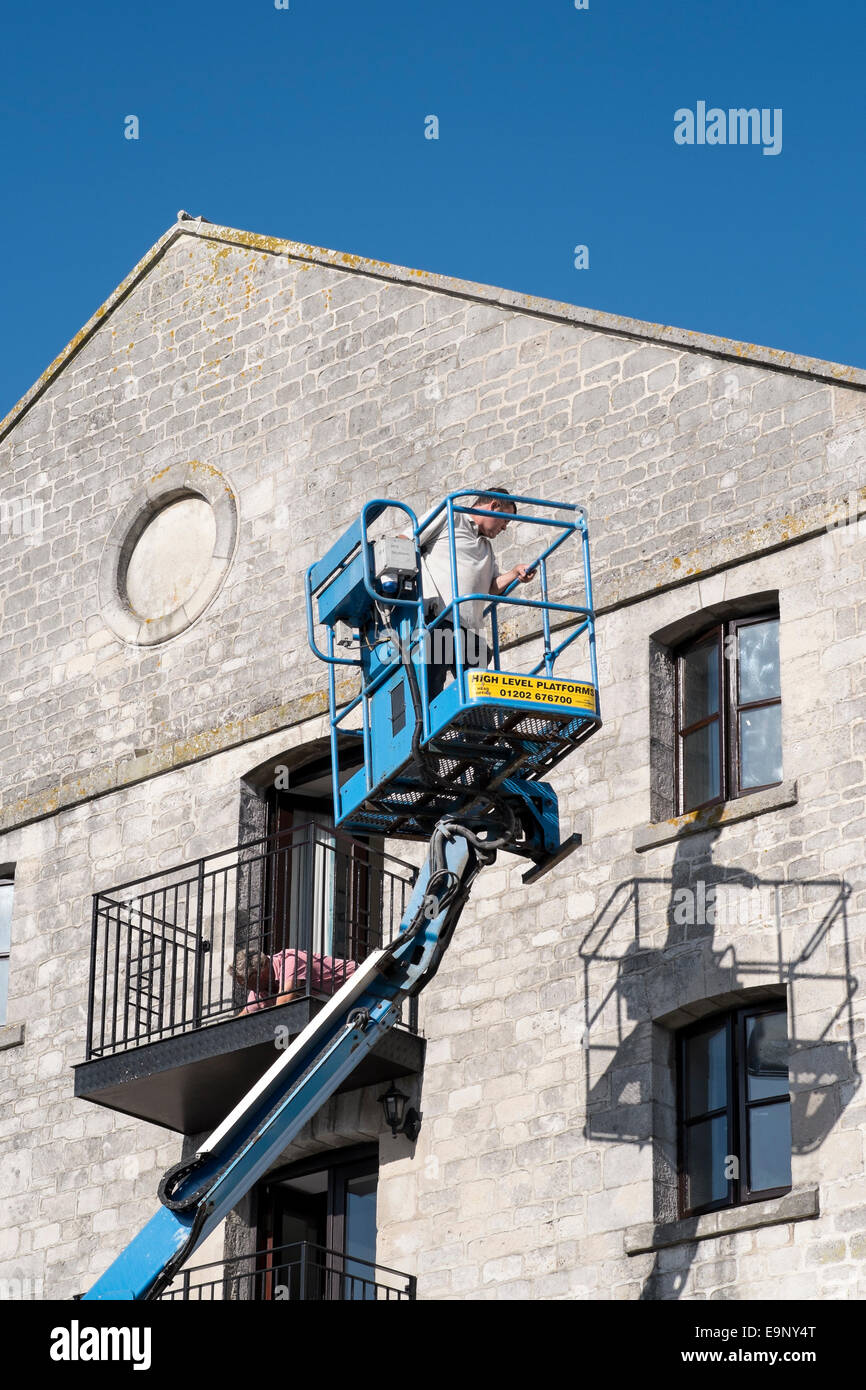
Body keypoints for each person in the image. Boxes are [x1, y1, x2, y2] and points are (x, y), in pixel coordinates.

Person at [419, 488, 537, 699]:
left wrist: (514, 573)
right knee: (432, 683)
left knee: (480, 687)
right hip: (439, 617)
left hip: (470, 628)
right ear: (493, 506)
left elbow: (491, 588)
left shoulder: (486, 548)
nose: (504, 528)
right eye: (505, 521)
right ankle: (426, 728)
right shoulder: (450, 515)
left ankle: (480, 731)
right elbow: (407, 538)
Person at [229, 947, 357, 1016]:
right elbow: (244, 1016)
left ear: (260, 972)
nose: (247, 988)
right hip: (340, 1002)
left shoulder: (289, 959)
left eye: (247, 982)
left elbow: (284, 1001)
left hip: (356, 979)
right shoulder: (259, 990)